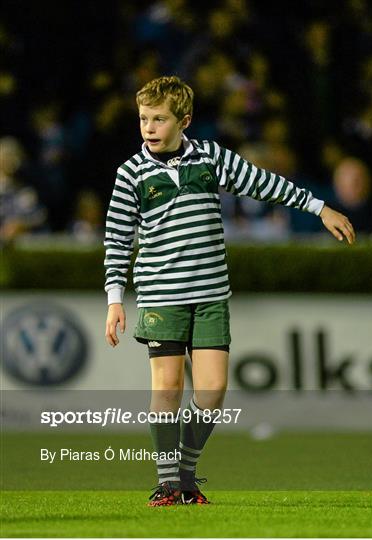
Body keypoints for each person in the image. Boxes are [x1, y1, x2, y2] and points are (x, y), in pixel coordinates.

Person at [104, 76, 355, 507]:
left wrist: (319, 207)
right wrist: (114, 299)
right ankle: (170, 484)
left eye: (159, 119)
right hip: (161, 294)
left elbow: (264, 183)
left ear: (185, 120)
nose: (149, 127)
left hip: (211, 294)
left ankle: (186, 473)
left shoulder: (210, 157)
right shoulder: (131, 173)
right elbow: (117, 237)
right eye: (144, 118)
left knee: (214, 391)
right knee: (167, 388)